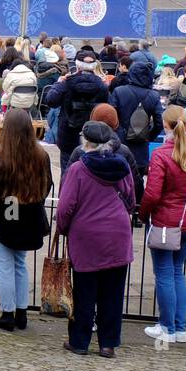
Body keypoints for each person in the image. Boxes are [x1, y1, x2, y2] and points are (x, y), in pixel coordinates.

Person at [57, 121, 135, 358]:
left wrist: (62, 229)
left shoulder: (78, 169)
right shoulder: (122, 166)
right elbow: (131, 199)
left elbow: (65, 206)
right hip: (118, 235)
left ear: (86, 142)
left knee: (85, 291)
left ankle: (80, 341)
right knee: (113, 292)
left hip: (87, 237)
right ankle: (107, 344)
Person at [0, 109, 51, 332]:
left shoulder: (0, 159)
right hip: (28, 217)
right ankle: (22, 312)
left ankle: (7, 313)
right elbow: (46, 187)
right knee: (20, 265)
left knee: (4, 268)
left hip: (4, 219)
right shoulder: (41, 157)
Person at [139, 105, 186, 344]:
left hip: (166, 222)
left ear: (165, 125)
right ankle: (179, 327)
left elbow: (153, 193)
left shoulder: (160, 154)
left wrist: (143, 214)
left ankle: (167, 327)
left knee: (165, 274)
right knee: (177, 272)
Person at [44, 49, 108, 173]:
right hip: (92, 136)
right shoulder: (102, 86)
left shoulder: (67, 82)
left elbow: (51, 101)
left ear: (77, 65)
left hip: (69, 135)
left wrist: (58, 84)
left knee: (67, 173)